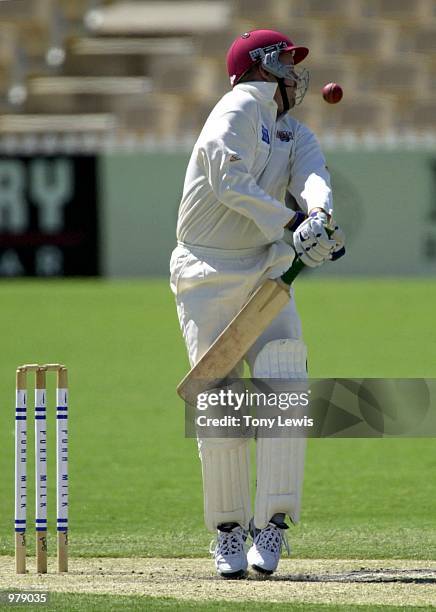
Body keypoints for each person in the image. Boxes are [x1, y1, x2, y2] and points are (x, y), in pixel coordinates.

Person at [170, 29, 345, 579]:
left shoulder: (293, 131)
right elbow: (227, 181)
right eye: (288, 63)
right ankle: (227, 532)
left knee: (285, 385)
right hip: (207, 272)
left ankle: (270, 526)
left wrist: (316, 216)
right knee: (222, 402)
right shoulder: (240, 105)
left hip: (265, 269)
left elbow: (313, 177)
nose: (297, 74)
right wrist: (290, 222)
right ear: (263, 67)